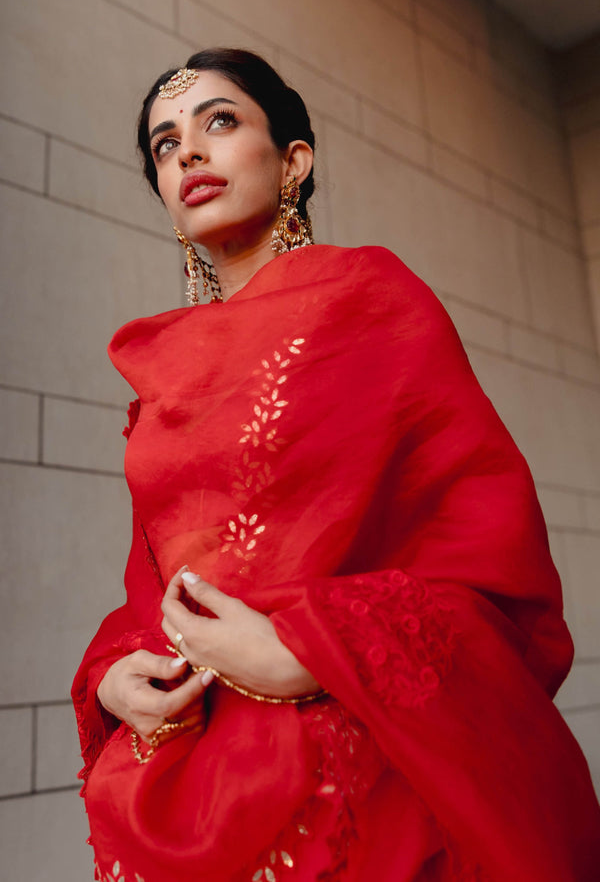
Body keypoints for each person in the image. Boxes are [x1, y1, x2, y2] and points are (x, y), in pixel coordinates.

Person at [72, 48, 600, 882]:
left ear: (293, 161)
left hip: (359, 773)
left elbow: (496, 573)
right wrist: (113, 678)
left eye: (220, 121)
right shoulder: (161, 371)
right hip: (189, 774)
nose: (190, 154)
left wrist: (311, 652)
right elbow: (155, 584)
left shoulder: (372, 300)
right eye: (165, 144)